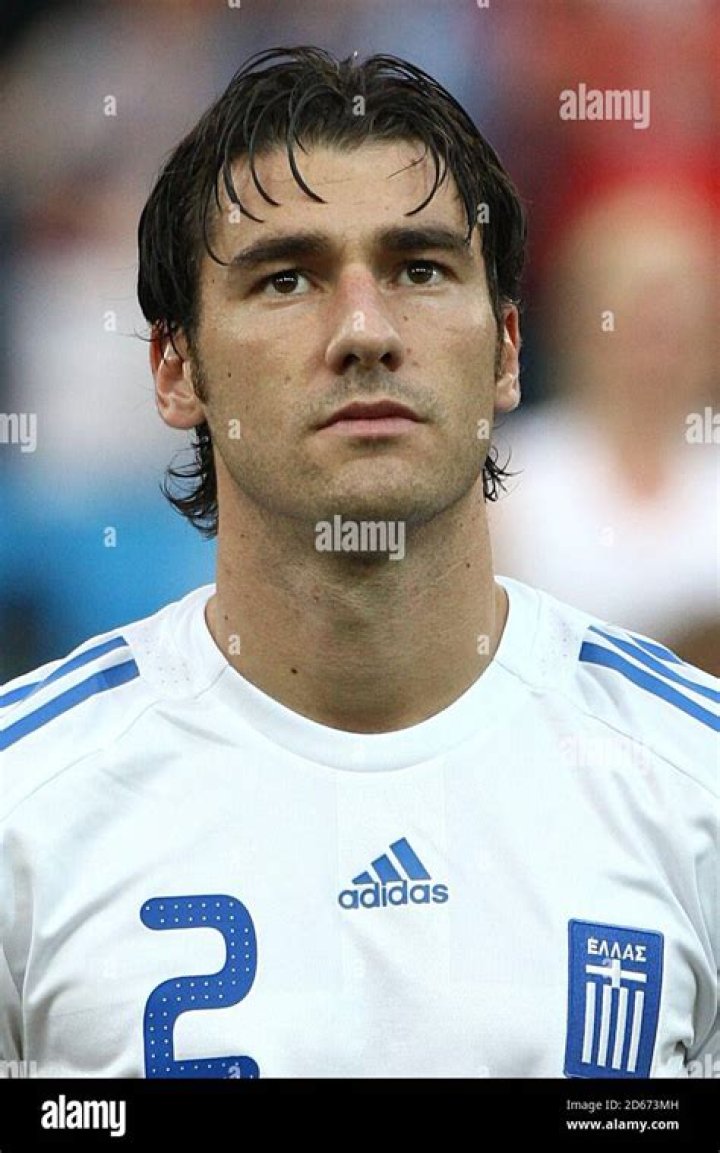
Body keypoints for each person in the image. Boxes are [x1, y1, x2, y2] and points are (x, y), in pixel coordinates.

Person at [0, 47, 716, 1080]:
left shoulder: (695, 784)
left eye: (420, 269)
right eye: (286, 278)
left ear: (508, 348)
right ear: (174, 366)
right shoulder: (25, 808)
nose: (366, 332)